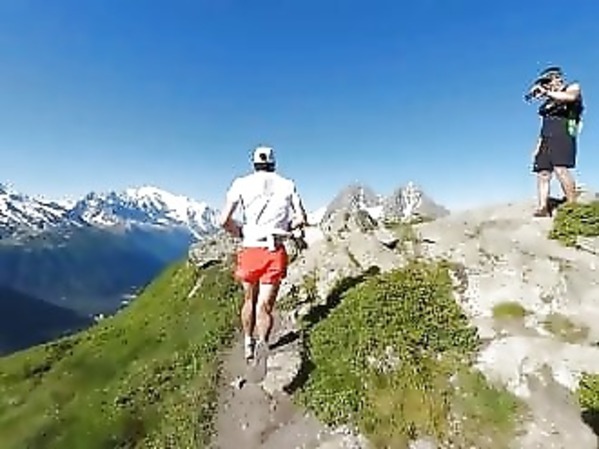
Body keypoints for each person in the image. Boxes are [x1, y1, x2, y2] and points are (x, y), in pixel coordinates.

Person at [219, 144, 308, 368]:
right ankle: (263, 345)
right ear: (273, 163)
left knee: (249, 299)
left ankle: (247, 343)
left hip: (250, 249)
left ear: (254, 164)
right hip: (273, 250)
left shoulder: (241, 183)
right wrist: (286, 227)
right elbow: (301, 218)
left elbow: (223, 220)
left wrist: (240, 232)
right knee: (265, 306)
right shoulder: (287, 185)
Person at [530, 66, 584, 217]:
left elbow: (571, 97)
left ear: (556, 78)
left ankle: (572, 204)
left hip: (563, 133)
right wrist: (538, 145)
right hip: (547, 136)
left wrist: (546, 92)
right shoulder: (547, 103)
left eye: (547, 81)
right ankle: (542, 208)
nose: (546, 85)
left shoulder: (572, 87)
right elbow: (544, 123)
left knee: (560, 168)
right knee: (543, 172)